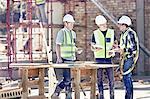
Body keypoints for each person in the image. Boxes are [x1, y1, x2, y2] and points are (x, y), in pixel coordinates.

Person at [91, 15, 117, 99]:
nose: (104, 26)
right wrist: (95, 48)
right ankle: (101, 96)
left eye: (105, 24)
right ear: (98, 25)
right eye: (102, 24)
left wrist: (113, 49)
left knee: (111, 80)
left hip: (109, 59)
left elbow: (115, 44)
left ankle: (112, 96)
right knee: (99, 79)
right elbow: (92, 46)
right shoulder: (95, 33)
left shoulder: (111, 32)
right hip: (99, 59)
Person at [51, 14, 76, 99]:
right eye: (70, 23)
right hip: (65, 59)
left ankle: (68, 96)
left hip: (72, 59)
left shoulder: (73, 33)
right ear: (65, 23)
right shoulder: (62, 32)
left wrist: (76, 50)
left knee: (68, 80)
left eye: (73, 23)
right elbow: (58, 45)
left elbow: (72, 45)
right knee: (67, 79)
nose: (72, 25)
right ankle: (57, 92)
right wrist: (59, 58)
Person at [117, 15, 139, 99]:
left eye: (120, 24)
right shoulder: (124, 34)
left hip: (129, 58)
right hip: (126, 58)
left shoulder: (130, 33)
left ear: (124, 25)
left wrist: (122, 50)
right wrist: (118, 48)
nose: (119, 26)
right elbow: (124, 46)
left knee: (127, 77)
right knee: (126, 78)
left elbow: (133, 48)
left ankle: (129, 97)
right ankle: (128, 96)